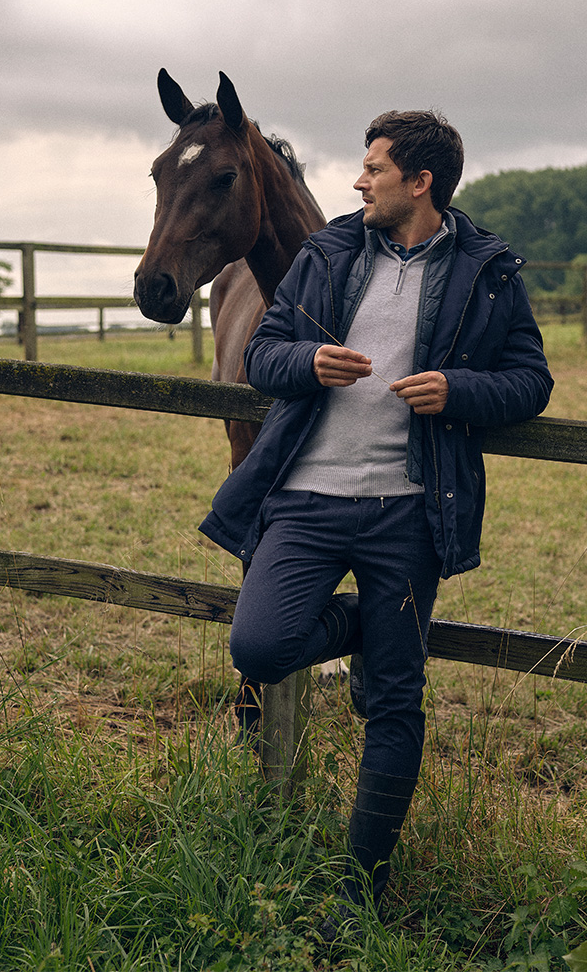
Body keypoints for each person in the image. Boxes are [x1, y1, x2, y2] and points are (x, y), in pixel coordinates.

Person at [198, 110, 553, 939]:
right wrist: (308, 361)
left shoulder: (488, 269)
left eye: (375, 169)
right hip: (307, 500)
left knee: (394, 702)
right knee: (260, 646)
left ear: (420, 183)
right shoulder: (327, 253)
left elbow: (530, 379)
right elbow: (263, 355)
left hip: (409, 510)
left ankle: (361, 893)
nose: (359, 182)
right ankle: (384, 625)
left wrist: (460, 391)